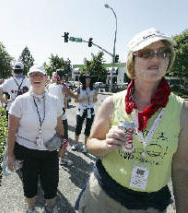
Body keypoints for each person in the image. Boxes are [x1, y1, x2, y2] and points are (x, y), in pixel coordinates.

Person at [75, 28, 188, 213]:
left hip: (150, 205)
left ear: (169, 60)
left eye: (163, 53)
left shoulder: (183, 110)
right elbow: (91, 143)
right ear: (132, 62)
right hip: (104, 195)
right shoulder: (112, 102)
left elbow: (182, 168)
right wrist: (106, 145)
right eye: (146, 53)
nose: (155, 58)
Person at [6, 65, 67, 213]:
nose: (36, 78)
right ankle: (31, 208)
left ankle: (50, 207)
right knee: (29, 183)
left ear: (46, 78)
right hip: (27, 151)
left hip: (49, 150)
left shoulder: (54, 101)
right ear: (29, 79)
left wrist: (62, 145)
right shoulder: (20, 101)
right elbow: (11, 130)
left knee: (51, 182)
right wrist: (10, 154)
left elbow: (59, 128)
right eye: (33, 75)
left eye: (40, 75)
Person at [48, 69, 79, 166]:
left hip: (51, 116)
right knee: (64, 139)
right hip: (61, 116)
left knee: (55, 136)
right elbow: (75, 97)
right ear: (62, 77)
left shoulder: (49, 86)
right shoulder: (63, 87)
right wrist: (77, 90)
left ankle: (54, 156)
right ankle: (62, 159)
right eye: (64, 76)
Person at [72, 73, 98, 153]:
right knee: (78, 127)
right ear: (84, 79)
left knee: (88, 129)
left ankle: (85, 145)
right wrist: (85, 98)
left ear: (91, 80)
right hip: (81, 110)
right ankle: (76, 144)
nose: (88, 80)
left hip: (90, 111)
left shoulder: (94, 89)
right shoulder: (79, 88)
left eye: (89, 78)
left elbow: (95, 101)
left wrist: (95, 97)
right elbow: (75, 100)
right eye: (86, 78)